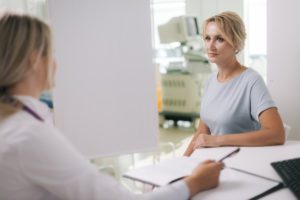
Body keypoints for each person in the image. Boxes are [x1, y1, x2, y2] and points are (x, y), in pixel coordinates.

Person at [0, 12, 224, 200]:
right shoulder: (29, 136)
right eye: (51, 54)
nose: (56, 62)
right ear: (33, 61)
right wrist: (194, 182)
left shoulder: (15, 122)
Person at [184, 11, 285, 157]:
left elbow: (277, 133)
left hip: (241, 163)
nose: (210, 46)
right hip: (214, 160)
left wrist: (217, 140)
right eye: (207, 38)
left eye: (219, 39)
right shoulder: (211, 81)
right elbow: (202, 132)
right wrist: (182, 163)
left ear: (236, 43)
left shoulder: (251, 81)